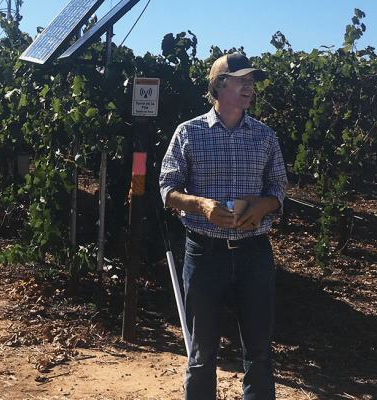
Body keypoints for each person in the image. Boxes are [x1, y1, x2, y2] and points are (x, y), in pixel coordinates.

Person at [159, 53, 287, 400]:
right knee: (202, 354)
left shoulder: (265, 136)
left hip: (254, 254)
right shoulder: (189, 132)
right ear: (219, 85)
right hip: (205, 253)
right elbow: (167, 189)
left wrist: (264, 205)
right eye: (241, 80)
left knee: (260, 352)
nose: (250, 87)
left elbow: (278, 189)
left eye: (252, 82)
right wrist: (200, 205)